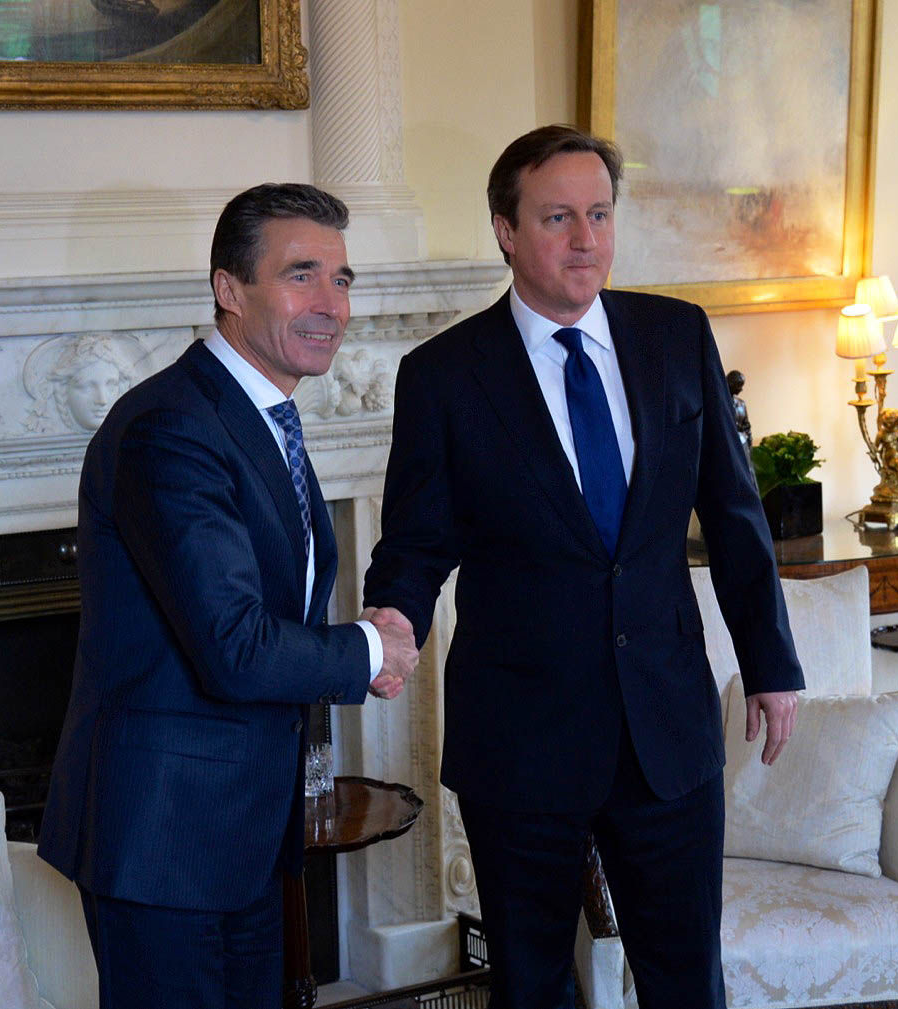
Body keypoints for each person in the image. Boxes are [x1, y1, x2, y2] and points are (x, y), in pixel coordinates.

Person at [362, 126, 804, 1009]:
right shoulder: (443, 375)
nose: (585, 239)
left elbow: (733, 510)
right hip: (520, 738)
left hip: (665, 728)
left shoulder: (677, 335)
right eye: (558, 216)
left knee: (687, 980)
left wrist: (771, 663)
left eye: (599, 214)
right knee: (530, 987)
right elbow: (416, 540)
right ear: (505, 230)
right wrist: (390, 625)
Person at [38, 183, 418, 1009]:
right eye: (302, 275)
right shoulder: (170, 428)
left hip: (242, 829)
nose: (331, 305)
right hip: (165, 840)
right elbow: (236, 644)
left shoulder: (264, 416)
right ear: (229, 288)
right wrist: (366, 649)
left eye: (343, 279)